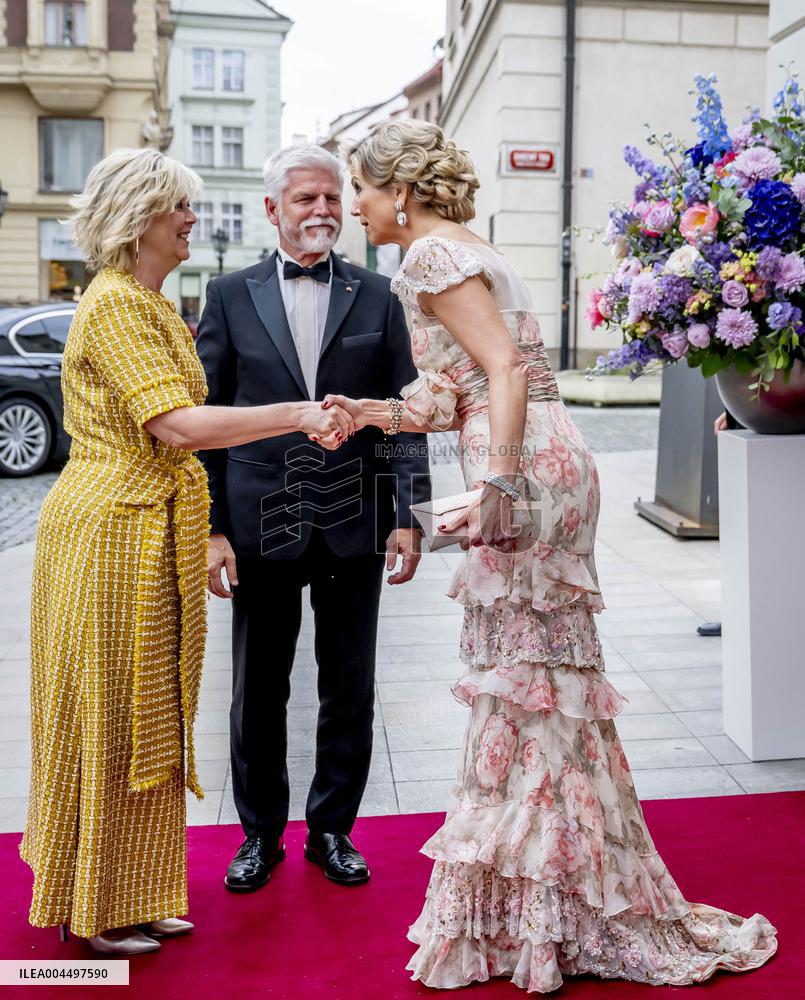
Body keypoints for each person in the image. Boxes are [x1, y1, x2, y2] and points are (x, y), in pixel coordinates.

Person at [324, 119, 777, 993]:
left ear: (403, 193)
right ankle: (562, 900)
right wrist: (368, 412)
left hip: (522, 462)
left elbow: (498, 371)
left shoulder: (423, 258)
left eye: (363, 190)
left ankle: (545, 909)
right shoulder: (468, 248)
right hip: (552, 451)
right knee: (543, 691)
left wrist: (496, 483)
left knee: (524, 685)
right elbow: (450, 389)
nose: (356, 207)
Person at [21, 147, 352, 957]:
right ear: (140, 218)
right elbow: (175, 425)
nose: (192, 220)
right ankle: (93, 907)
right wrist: (299, 414)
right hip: (110, 529)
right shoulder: (117, 306)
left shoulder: (151, 301)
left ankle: (136, 891)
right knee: (109, 717)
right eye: (179, 207)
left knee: (150, 719)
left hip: (144, 526)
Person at [195, 144, 430, 893]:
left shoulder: (378, 293)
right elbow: (207, 418)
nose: (323, 210)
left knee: (348, 685)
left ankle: (332, 831)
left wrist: (408, 513)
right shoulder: (228, 294)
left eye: (331, 197)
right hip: (258, 520)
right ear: (272, 210)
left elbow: (407, 411)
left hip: (355, 520)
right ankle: (259, 834)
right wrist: (210, 527)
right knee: (256, 691)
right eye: (305, 199)